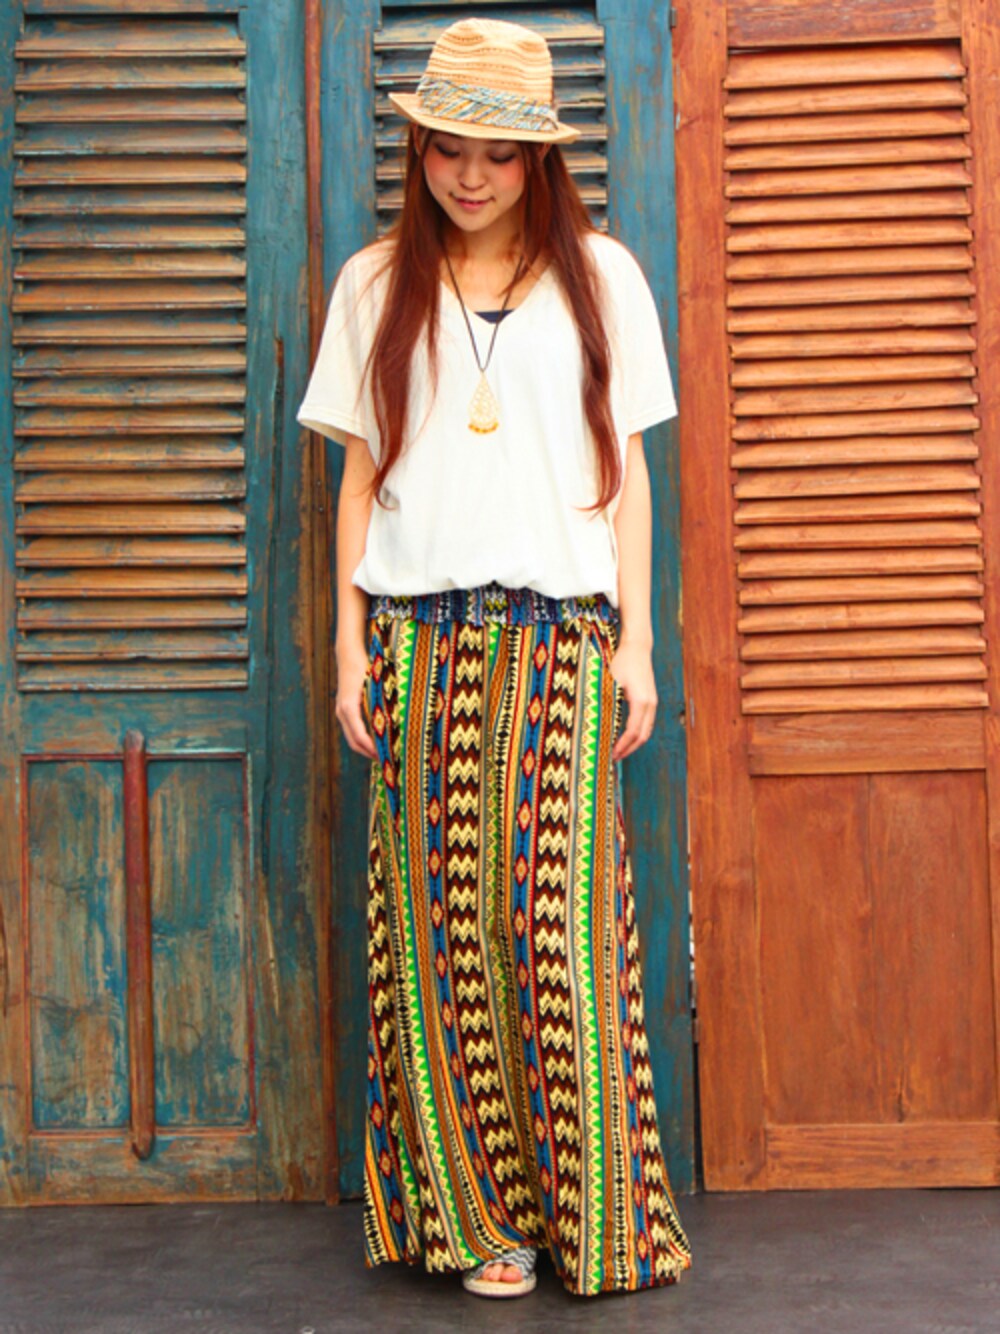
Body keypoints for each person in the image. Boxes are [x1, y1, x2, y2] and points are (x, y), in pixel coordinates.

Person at [297, 15, 693, 1301]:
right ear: (417, 151)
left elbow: (628, 475)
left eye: (500, 153)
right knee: (437, 944)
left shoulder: (603, 278)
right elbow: (358, 478)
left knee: (557, 935)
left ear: (539, 161)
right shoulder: (373, 284)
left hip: (560, 639)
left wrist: (637, 642)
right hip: (417, 642)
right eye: (447, 149)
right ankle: (477, 1227)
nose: (470, 175)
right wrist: (348, 646)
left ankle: (597, 1221)